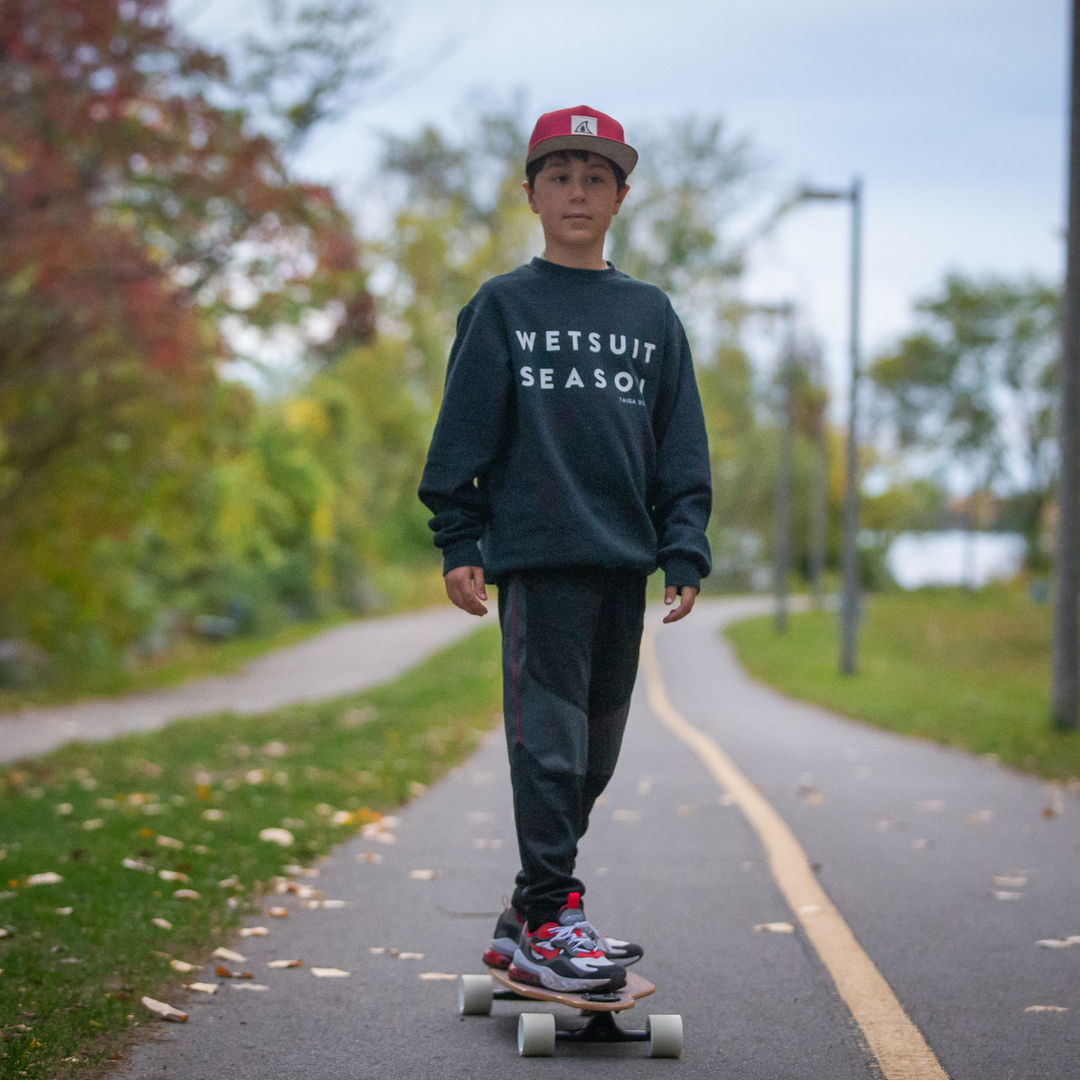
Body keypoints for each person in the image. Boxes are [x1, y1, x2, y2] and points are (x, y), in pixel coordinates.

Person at [418, 105, 712, 993]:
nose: (576, 192)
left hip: (622, 561)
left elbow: (680, 442)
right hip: (539, 561)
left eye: (595, 178)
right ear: (531, 193)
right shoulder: (503, 305)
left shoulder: (651, 313)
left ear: (622, 196)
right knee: (546, 750)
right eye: (559, 176)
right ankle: (553, 917)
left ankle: (524, 916)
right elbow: (462, 433)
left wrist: (684, 547)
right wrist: (458, 537)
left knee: (593, 756)